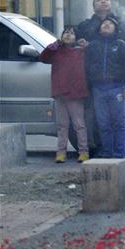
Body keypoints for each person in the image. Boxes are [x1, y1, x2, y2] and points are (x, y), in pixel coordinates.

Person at [76, 0, 125, 162]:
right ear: (93, 6)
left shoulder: (121, 24)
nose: (103, 1)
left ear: (110, 4)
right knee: (98, 117)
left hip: (117, 81)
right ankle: (102, 149)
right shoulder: (85, 26)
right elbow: (74, 43)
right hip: (95, 80)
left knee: (124, 117)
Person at [39, 26, 89, 163]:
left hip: (76, 93)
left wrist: (87, 45)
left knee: (79, 124)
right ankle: (61, 152)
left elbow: (92, 56)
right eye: (65, 33)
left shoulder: (81, 52)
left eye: (72, 33)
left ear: (76, 38)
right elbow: (43, 57)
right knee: (62, 125)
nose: (68, 35)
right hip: (60, 92)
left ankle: (83, 151)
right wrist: (53, 45)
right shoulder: (56, 51)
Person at [85, 18, 125, 158]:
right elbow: (86, 67)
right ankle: (106, 152)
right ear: (99, 28)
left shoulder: (121, 45)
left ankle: (119, 154)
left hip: (117, 88)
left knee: (119, 123)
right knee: (103, 123)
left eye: (111, 23)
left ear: (116, 28)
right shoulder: (92, 45)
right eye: (104, 23)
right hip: (98, 89)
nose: (107, 24)